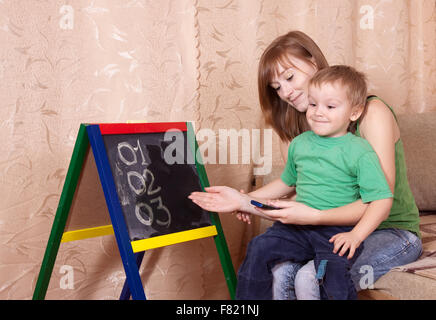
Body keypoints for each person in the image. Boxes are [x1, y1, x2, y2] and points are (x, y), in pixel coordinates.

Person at [190, 30, 422, 300]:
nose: (285, 92)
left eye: (289, 77)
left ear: (313, 62)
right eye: (276, 87)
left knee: (311, 276)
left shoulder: (372, 113)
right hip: (327, 228)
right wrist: (246, 201)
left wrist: (314, 217)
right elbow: (299, 198)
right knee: (277, 272)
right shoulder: (304, 135)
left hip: (388, 229)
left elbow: (377, 201)